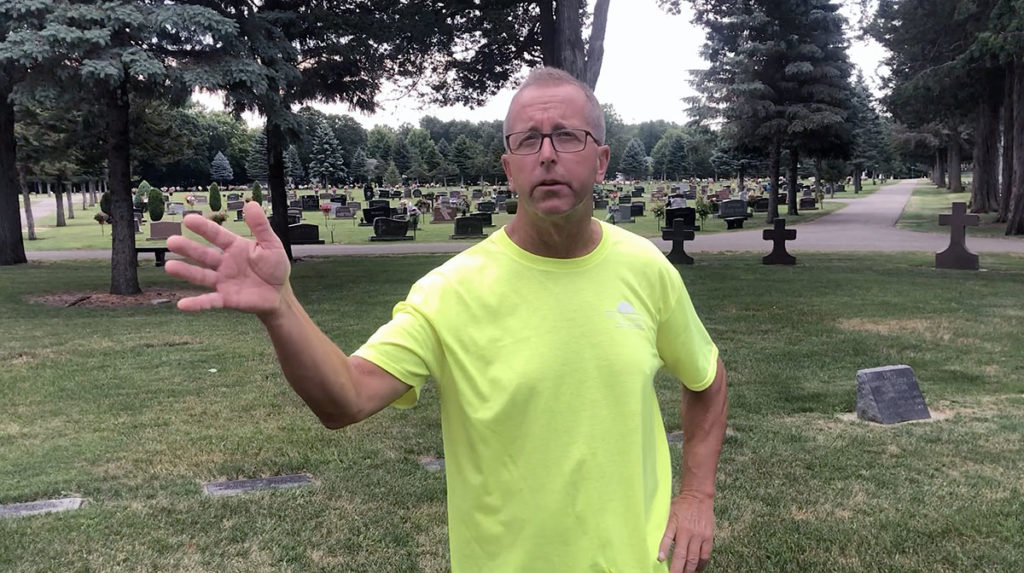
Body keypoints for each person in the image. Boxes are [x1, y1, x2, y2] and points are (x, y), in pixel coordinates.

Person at [164, 66, 727, 573]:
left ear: (601, 159)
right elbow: (345, 399)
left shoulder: (646, 270)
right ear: (508, 168)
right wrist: (280, 306)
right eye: (528, 140)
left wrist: (697, 496)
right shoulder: (450, 292)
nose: (548, 153)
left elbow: (706, 378)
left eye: (568, 135)